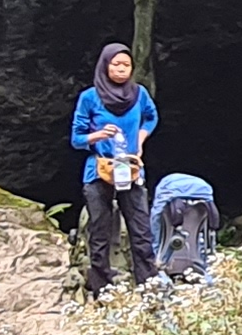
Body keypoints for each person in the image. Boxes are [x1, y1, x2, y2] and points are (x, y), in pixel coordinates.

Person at [69, 41, 159, 298]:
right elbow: (76, 139)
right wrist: (97, 135)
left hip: (129, 168)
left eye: (127, 65)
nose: (121, 69)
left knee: (141, 230)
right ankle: (102, 290)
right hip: (99, 169)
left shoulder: (139, 94)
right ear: (105, 65)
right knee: (99, 231)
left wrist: (140, 140)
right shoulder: (89, 98)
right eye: (116, 64)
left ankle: (148, 287)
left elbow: (152, 117)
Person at [149, 169, 219, 288]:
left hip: (165, 260)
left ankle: (164, 274)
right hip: (197, 262)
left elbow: (156, 228)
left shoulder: (165, 205)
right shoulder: (204, 205)